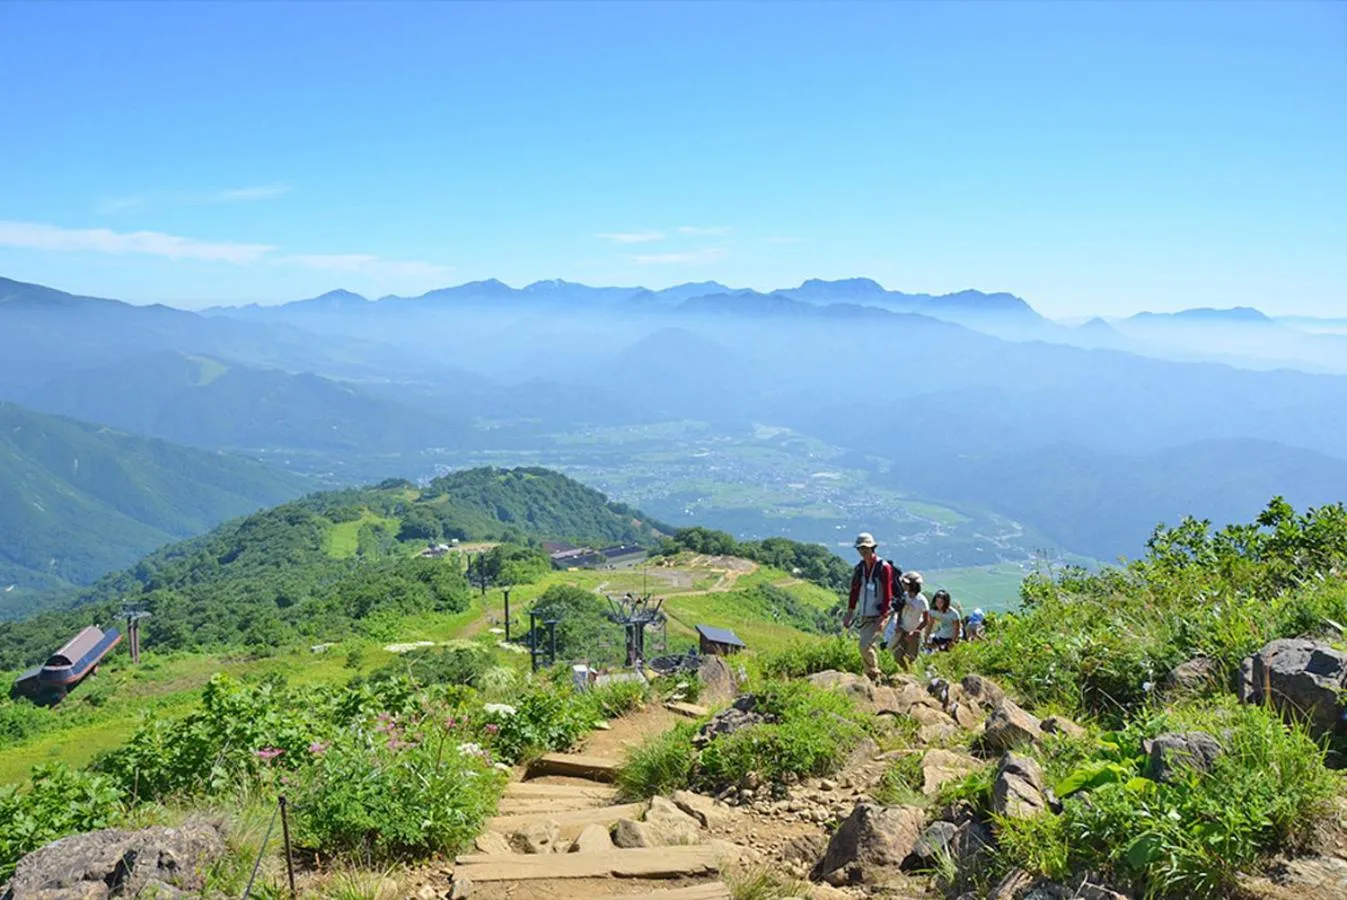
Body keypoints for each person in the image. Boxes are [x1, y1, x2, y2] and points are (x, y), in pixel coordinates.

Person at [842, 532, 897, 680]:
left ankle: (875, 674)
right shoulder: (859, 568)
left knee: (865, 645)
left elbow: (887, 594)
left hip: (880, 613)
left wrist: (883, 617)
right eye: (860, 548)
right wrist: (850, 612)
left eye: (866, 548)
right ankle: (872, 675)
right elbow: (854, 591)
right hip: (865, 614)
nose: (863, 551)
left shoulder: (883, 567)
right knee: (865, 646)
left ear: (873, 548)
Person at [892, 571, 930, 670]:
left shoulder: (922, 601)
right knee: (897, 655)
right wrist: (899, 624)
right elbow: (900, 611)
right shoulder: (904, 596)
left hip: (915, 633)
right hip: (903, 630)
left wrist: (915, 631)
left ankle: (910, 675)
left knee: (911, 658)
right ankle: (903, 673)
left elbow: (926, 620)